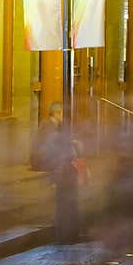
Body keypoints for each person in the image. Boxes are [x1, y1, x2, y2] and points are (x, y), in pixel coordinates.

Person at [30, 100, 79, 243]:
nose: (64, 116)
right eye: (62, 113)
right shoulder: (48, 126)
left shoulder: (57, 126)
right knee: (65, 198)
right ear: (57, 113)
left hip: (57, 164)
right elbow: (51, 147)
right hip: (48, 162)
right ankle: (65, 233)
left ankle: (67, 232)